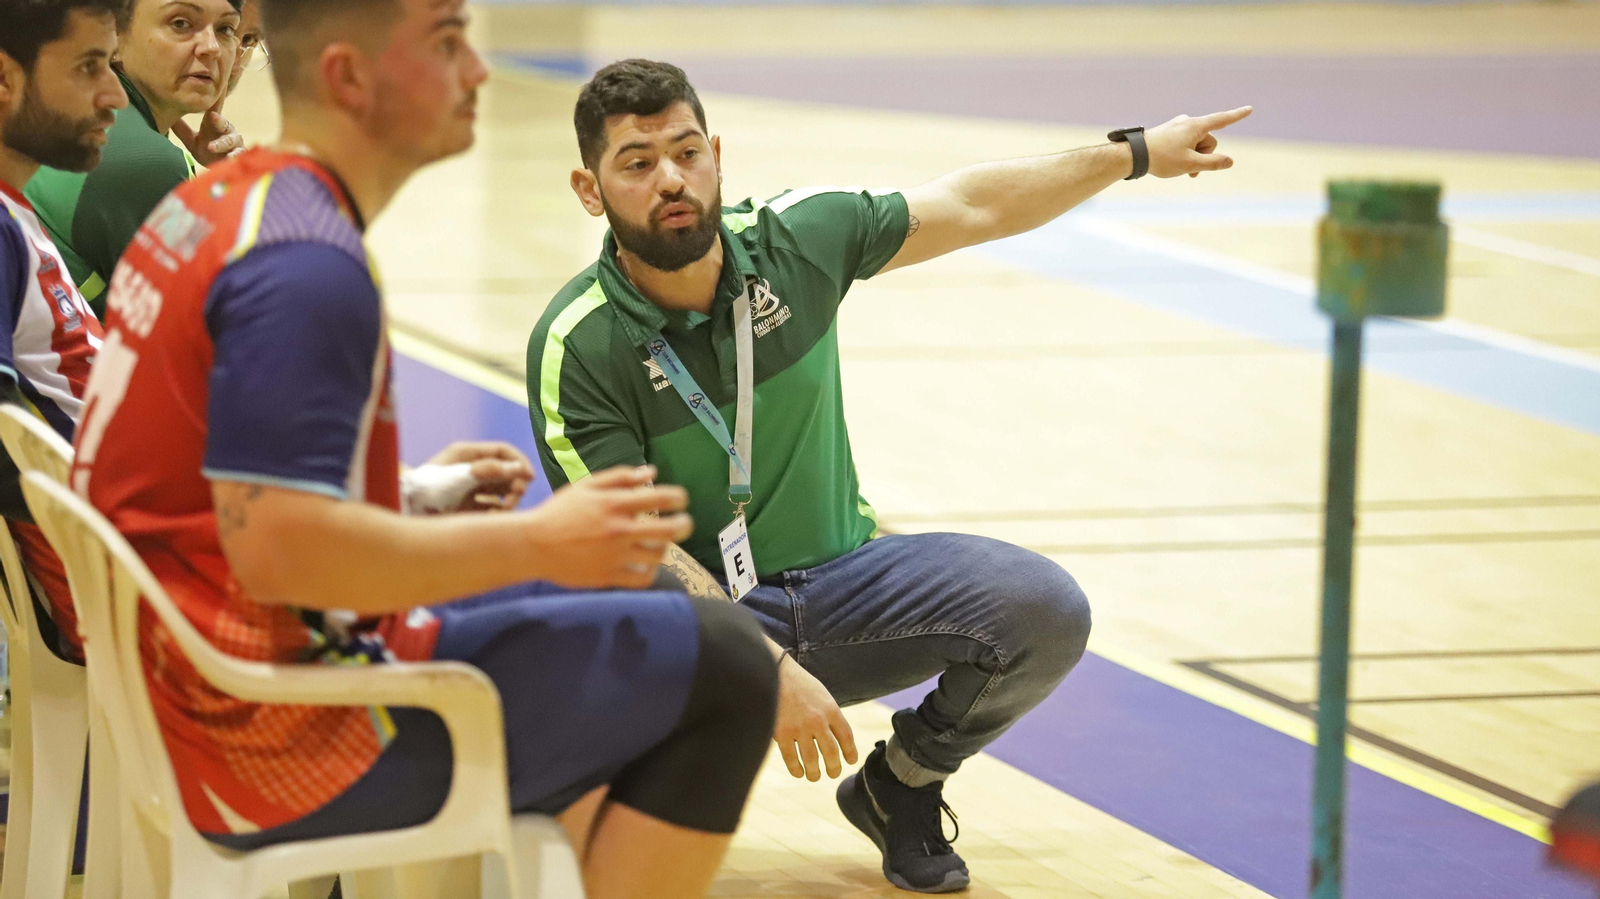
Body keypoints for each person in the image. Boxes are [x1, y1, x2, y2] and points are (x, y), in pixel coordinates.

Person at [72, 3, 776, 898]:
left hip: (182, 685)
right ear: (348, 78)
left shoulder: (221, 198)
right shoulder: (305, 265)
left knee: (631, 603)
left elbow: (225, 488)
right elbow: (282, 551)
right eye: (447, 45)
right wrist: (535, 540)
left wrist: (417, 501)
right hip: (272, 736)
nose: (478, 72)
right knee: (727, 668)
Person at [528, 58, 1251, 893]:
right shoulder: (578, 344)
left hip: (841, 586)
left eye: (687, 151)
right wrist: (760, 662)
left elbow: (972, 204)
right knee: (584, 801)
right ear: (591, 190)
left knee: (1043, 609)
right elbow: (633, 551)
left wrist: (1133, 153)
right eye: (638, 163)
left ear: (718, 154)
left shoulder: (794, 240)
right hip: (683, 635)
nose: (672, 179)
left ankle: (899, 783)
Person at [0, 0, 127, 663]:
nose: (114, 97)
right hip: (139, 589)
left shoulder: (12, 209)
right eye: (88, 67)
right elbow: (8, 441)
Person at [24, 0, 246, 316]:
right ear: (112, 37)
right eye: (181, 23)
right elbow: (221, 331)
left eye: (225, 29)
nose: (211, 48)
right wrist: (238, 194)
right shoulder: (146, 163)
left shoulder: (78, 115)